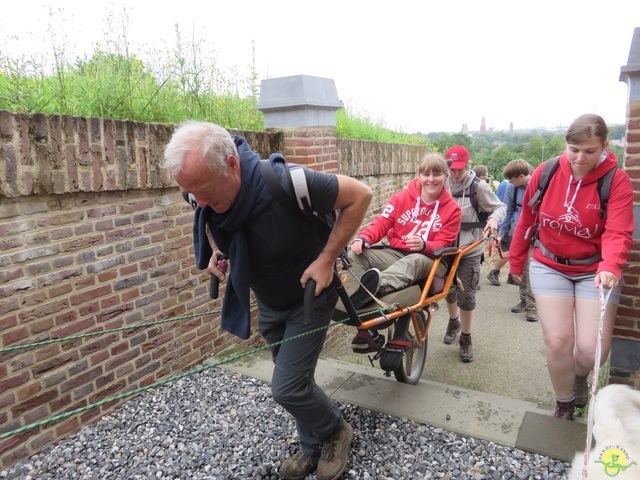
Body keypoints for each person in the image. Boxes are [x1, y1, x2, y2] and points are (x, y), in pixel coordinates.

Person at [161, 122, 373, 479]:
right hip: (270, 302)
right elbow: (214, 219)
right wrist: (218, 251)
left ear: (231, 164)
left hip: (309, 297)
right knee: (297, 382)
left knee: (287, 387)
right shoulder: (199, 190)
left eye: (206, 192)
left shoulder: (288, 182)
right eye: (192, 194)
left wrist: (325, 260)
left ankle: (337, 430)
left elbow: (361, 195)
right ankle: (311, 447)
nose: (200, 202)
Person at [508, 114, 634, 421]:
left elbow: (619, 231)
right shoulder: (547, 171)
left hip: (596, 270)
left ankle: (580, 377)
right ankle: (565, 403)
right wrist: (515, 258)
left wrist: (611, 265)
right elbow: (527, 217)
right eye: (574, 149)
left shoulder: (616, 180)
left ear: (603, 146)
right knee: (558, 341)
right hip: (549, 263)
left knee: (592, 352)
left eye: (589, 151)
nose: (580, 158)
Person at [347, 153, 462, 351]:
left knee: (413, 261)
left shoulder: (452, 209)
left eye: (437, 174)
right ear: (419, 175)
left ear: (445, 176)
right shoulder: (401, 198)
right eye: (426, 174)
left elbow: (444, 243)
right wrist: (363, 238)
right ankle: (364, 314)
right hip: (397, 252)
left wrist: (424, 245)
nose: (431, 179)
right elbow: (382, 223)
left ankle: (373, 293)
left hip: (432, 260)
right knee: (355, 254)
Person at [444, 145, 506, 362]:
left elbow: (500, 207)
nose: (456, 173)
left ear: (468, 166)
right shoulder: (440, 184)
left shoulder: (478, 187)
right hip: (444, 248)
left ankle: (466, 337)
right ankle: (453, 321)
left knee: (467, 295)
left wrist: (493, 219)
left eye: (460, 169)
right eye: (452, 168)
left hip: (469, 248)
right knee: (448, 291)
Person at [486, 159, 538, 322]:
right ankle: (523, 300)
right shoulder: (511, 188)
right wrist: (501, 234)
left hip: (536, 233)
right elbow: (508, 212)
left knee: (531, 269)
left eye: (512, 179)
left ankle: (532, 306)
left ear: (522, 176)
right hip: (518, 231)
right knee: (521, 266)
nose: (509, 182)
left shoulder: (539, 186)